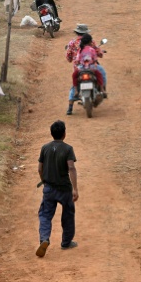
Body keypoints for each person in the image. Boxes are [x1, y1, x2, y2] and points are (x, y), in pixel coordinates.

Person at [36, 120, 78, 257]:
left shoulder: (45, 148)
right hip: (64, 189)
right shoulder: (68, 149)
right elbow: (71, 167)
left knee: (45, 215)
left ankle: (44, 239)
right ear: (64, 134)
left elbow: (39, 168)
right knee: (68, 214)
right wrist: (75, 189)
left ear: (51, 134)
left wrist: (44, 181)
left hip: (49, 188)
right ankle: (66, 242)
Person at [65, 24, 106, 115]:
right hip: (92, 67)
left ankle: (70, 105)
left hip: (79, 68)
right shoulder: (92, 44)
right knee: (101, 73)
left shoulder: (72, 43)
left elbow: (69, 58)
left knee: (74, 81)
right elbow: (98, 55)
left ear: (77, 32)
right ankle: (102, 89)